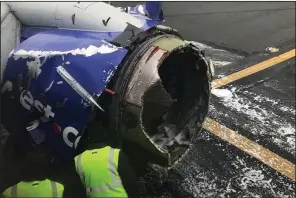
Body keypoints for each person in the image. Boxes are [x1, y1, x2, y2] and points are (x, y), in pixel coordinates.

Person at [73, 121, 139, 198]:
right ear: (104, 135)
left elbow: (78, 190)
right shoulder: (116, 154)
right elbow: (130, 182)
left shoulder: (78, 160)